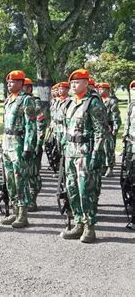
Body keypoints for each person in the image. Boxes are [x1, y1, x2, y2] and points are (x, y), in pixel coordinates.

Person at [60, 69, 108, 243]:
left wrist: (96, 154)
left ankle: (89, 227)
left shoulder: (93, 103)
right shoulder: (71, 103)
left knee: (85, 191)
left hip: (85, 154)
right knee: (72, 189)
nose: (74, 85)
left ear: (86, 83)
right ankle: (78, 223)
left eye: (78, 82)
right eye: (72, 83)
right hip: (71, 153)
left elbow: (101, 131)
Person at [0, 70, 36, 228]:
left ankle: (23, 214)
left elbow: (31, 126)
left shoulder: (26, 100)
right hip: (8, 144)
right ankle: (14, 211)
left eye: (13, 82)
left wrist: (28, 147)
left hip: (19, 144)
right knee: (10, 180)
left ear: (21, 83)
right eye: (8, 82)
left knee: (20, 179)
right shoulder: (9, 100)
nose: (10, 84)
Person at [22, 78, 47, 211]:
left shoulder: (34, 102)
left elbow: (41, 123)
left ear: (30, 88)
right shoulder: (19, 100)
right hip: (22, 142)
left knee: (33, 173)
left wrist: (39, 143)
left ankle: (32, 198)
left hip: (33, 143)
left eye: (25, 87)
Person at [97, 82, 120, 177]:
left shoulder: (111, 101)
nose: (100, 91)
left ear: (107, 90)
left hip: (109, 127)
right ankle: (103, 167)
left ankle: (110, 168)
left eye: (102, 89)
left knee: (109, 149)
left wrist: (115, 128)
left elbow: (116, 116)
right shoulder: (99, 100)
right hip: (101, 128)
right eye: (99, 89)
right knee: (101, 148)